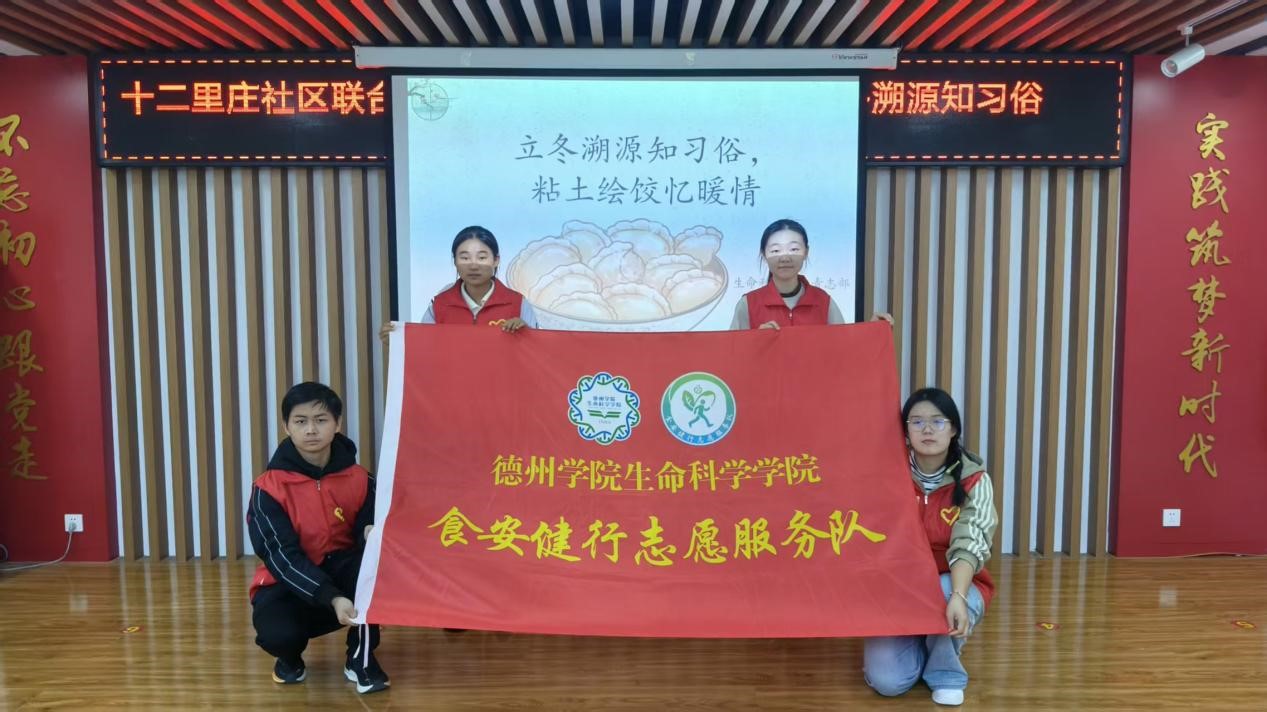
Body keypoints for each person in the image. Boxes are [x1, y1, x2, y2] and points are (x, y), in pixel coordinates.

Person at [246, 382, 389, 695]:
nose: (311, 430)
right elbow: (282, 558)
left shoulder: (360, 478)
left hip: (343, 571)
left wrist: (369, 532)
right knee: (279, 635)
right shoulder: (267, 489)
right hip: (288, 582)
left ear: (337, 424)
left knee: (373, 573)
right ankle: (289, 658)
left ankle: (361, 658)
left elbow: (368, 529)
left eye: (321, 420)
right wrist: (331, 597)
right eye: (301, 421)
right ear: (286, 427)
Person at [862, 387, 998, 707]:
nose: (927, 429)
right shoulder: (886, 475)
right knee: (888, 682)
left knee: (945, 592)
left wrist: (959, 596)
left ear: (953, 430)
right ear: (905, 431)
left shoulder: (974, 480)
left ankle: (945, 672)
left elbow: (969, 542)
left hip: (952, 580)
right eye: (917, 421)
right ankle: (923, 638)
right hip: (898, 586)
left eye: (938, 421)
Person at [730, 218, 891, 329]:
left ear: (806, 252)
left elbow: (844, 348)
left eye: (794, 249)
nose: (785, 257)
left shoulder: (823, 302)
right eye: (776, 250)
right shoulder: (748, 304)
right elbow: (733, 354)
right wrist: (755, 341)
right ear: (764, 255)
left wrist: (873, 330)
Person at [381, 225, 536, 339]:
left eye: (482, 257)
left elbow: (537, 353)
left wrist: (526, 334)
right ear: (455, 261)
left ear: (496, 260)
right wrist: (397, 342)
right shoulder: (440, 305)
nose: (473, 265)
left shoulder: (518, 303)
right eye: (464, 258)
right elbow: (423, 347)